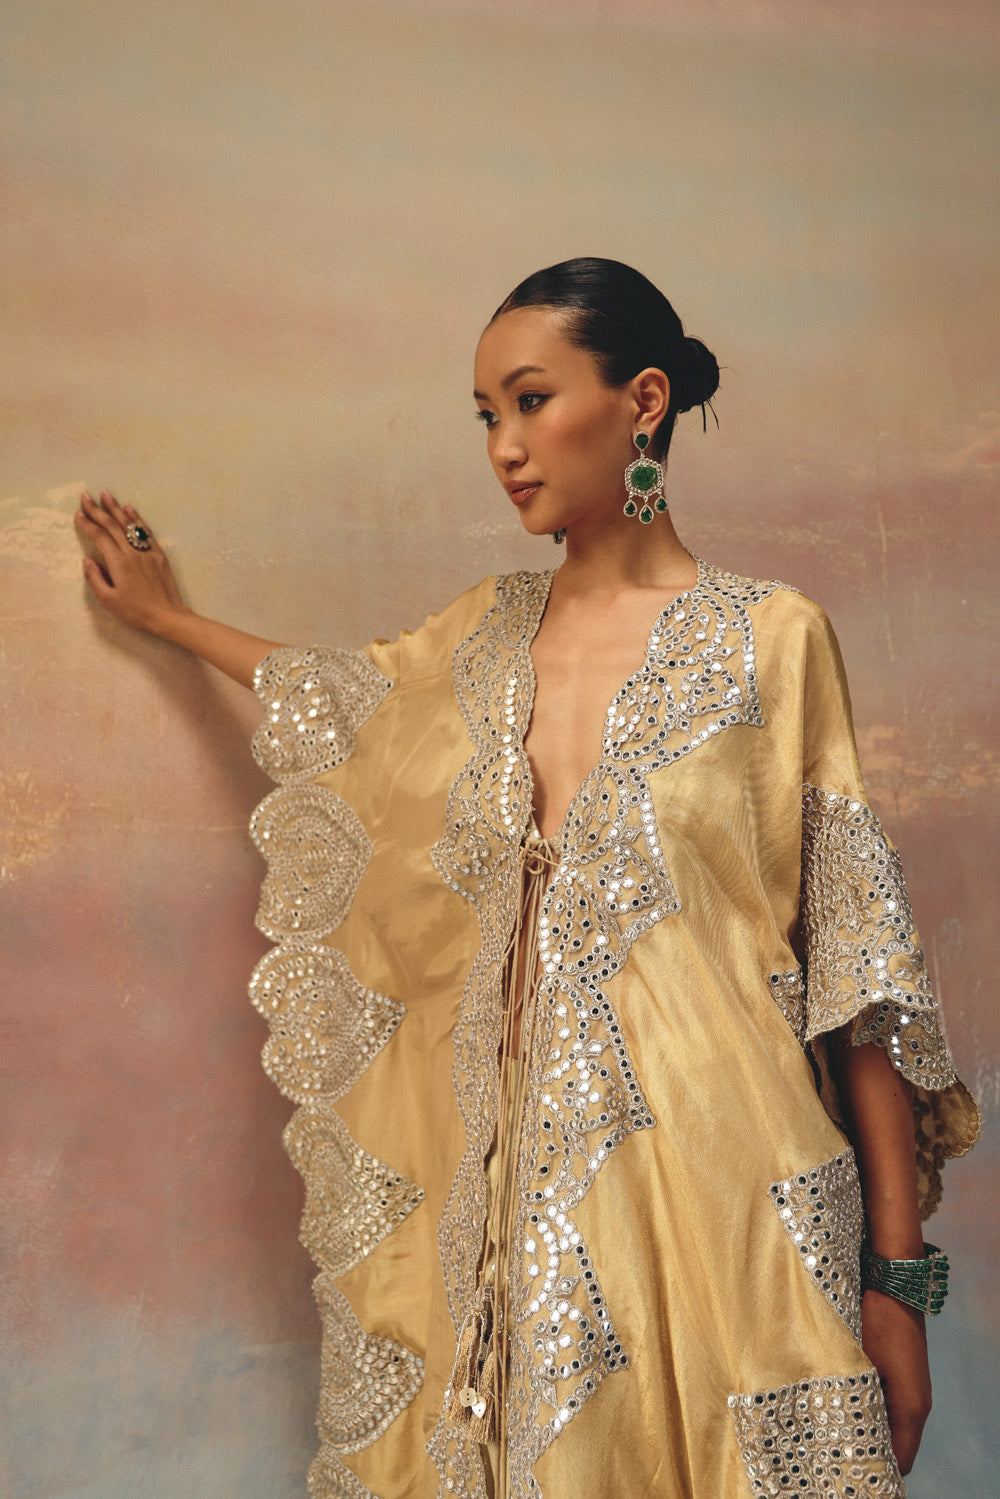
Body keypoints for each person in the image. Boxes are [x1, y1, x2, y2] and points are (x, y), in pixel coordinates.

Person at [76, 258, 979, 1499]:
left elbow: (858, 985)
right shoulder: (476, 641)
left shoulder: (772, 640)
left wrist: (898, 1286)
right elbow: (344, 703)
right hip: (516, 1253)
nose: (503, 444)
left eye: (531, 399)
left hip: (741, 1232)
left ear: (642, 400)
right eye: (485, 413)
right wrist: (171, 621)